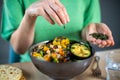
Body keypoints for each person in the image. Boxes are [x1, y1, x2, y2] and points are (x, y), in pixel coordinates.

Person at [1, 0, 115, 63]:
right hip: (35, 65)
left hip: (76, 64)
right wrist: (29, 15)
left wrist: (90, 31)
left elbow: (86, 33)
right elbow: (19, 48)